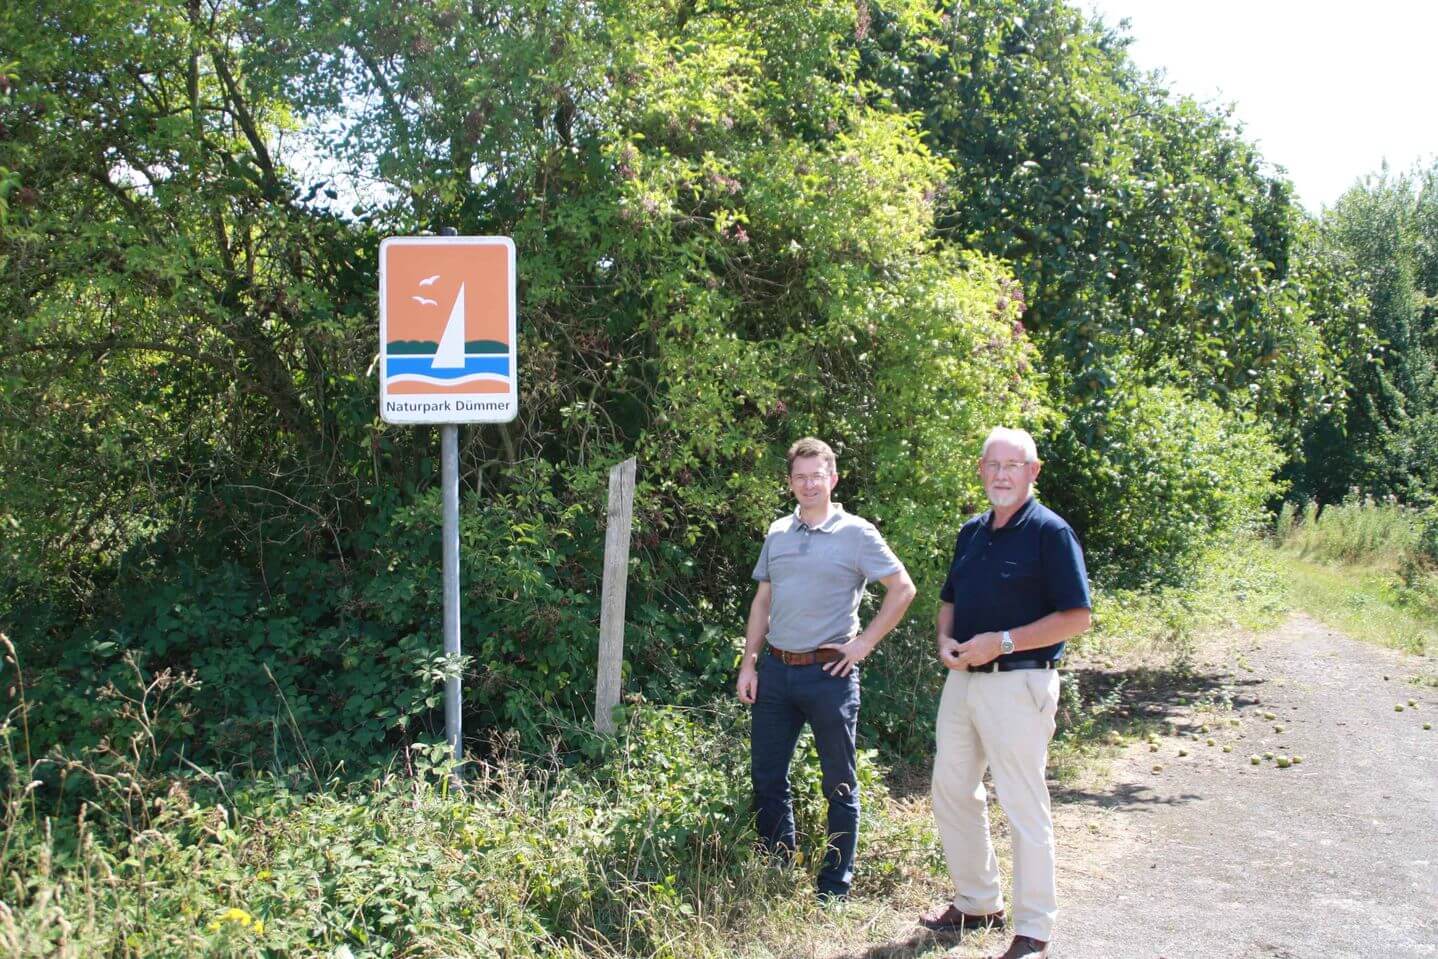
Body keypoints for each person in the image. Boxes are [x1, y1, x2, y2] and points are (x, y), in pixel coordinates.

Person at [919, 427, 1092, 959]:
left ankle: (1034, 929)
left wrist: (1005, 642)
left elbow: (1077, 617)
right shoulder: (972, 532)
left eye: (1012, 465)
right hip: (963, 681)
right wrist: (946, 640)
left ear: (1032, 472)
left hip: (1021, 682)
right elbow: (949, 599)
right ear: (981, 469)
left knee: (1023, 802)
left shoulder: (1050, 533)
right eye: (992, 465)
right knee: (951, 789)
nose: (1001, 474)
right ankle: (978, 903)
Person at [736, 437, 916, 902]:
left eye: (817, 475)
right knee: (768, 776)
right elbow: (762, 602)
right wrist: (749, 664)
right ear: (791, 482)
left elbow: (902, 589)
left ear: (833, 479)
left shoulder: (857, 533)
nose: (809, 484)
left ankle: (835, 886)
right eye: (800, 477)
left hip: (829, 676)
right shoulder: (777, 532)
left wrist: (862, 645)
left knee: (838, 782)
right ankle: (778, 866)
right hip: (776, 671)